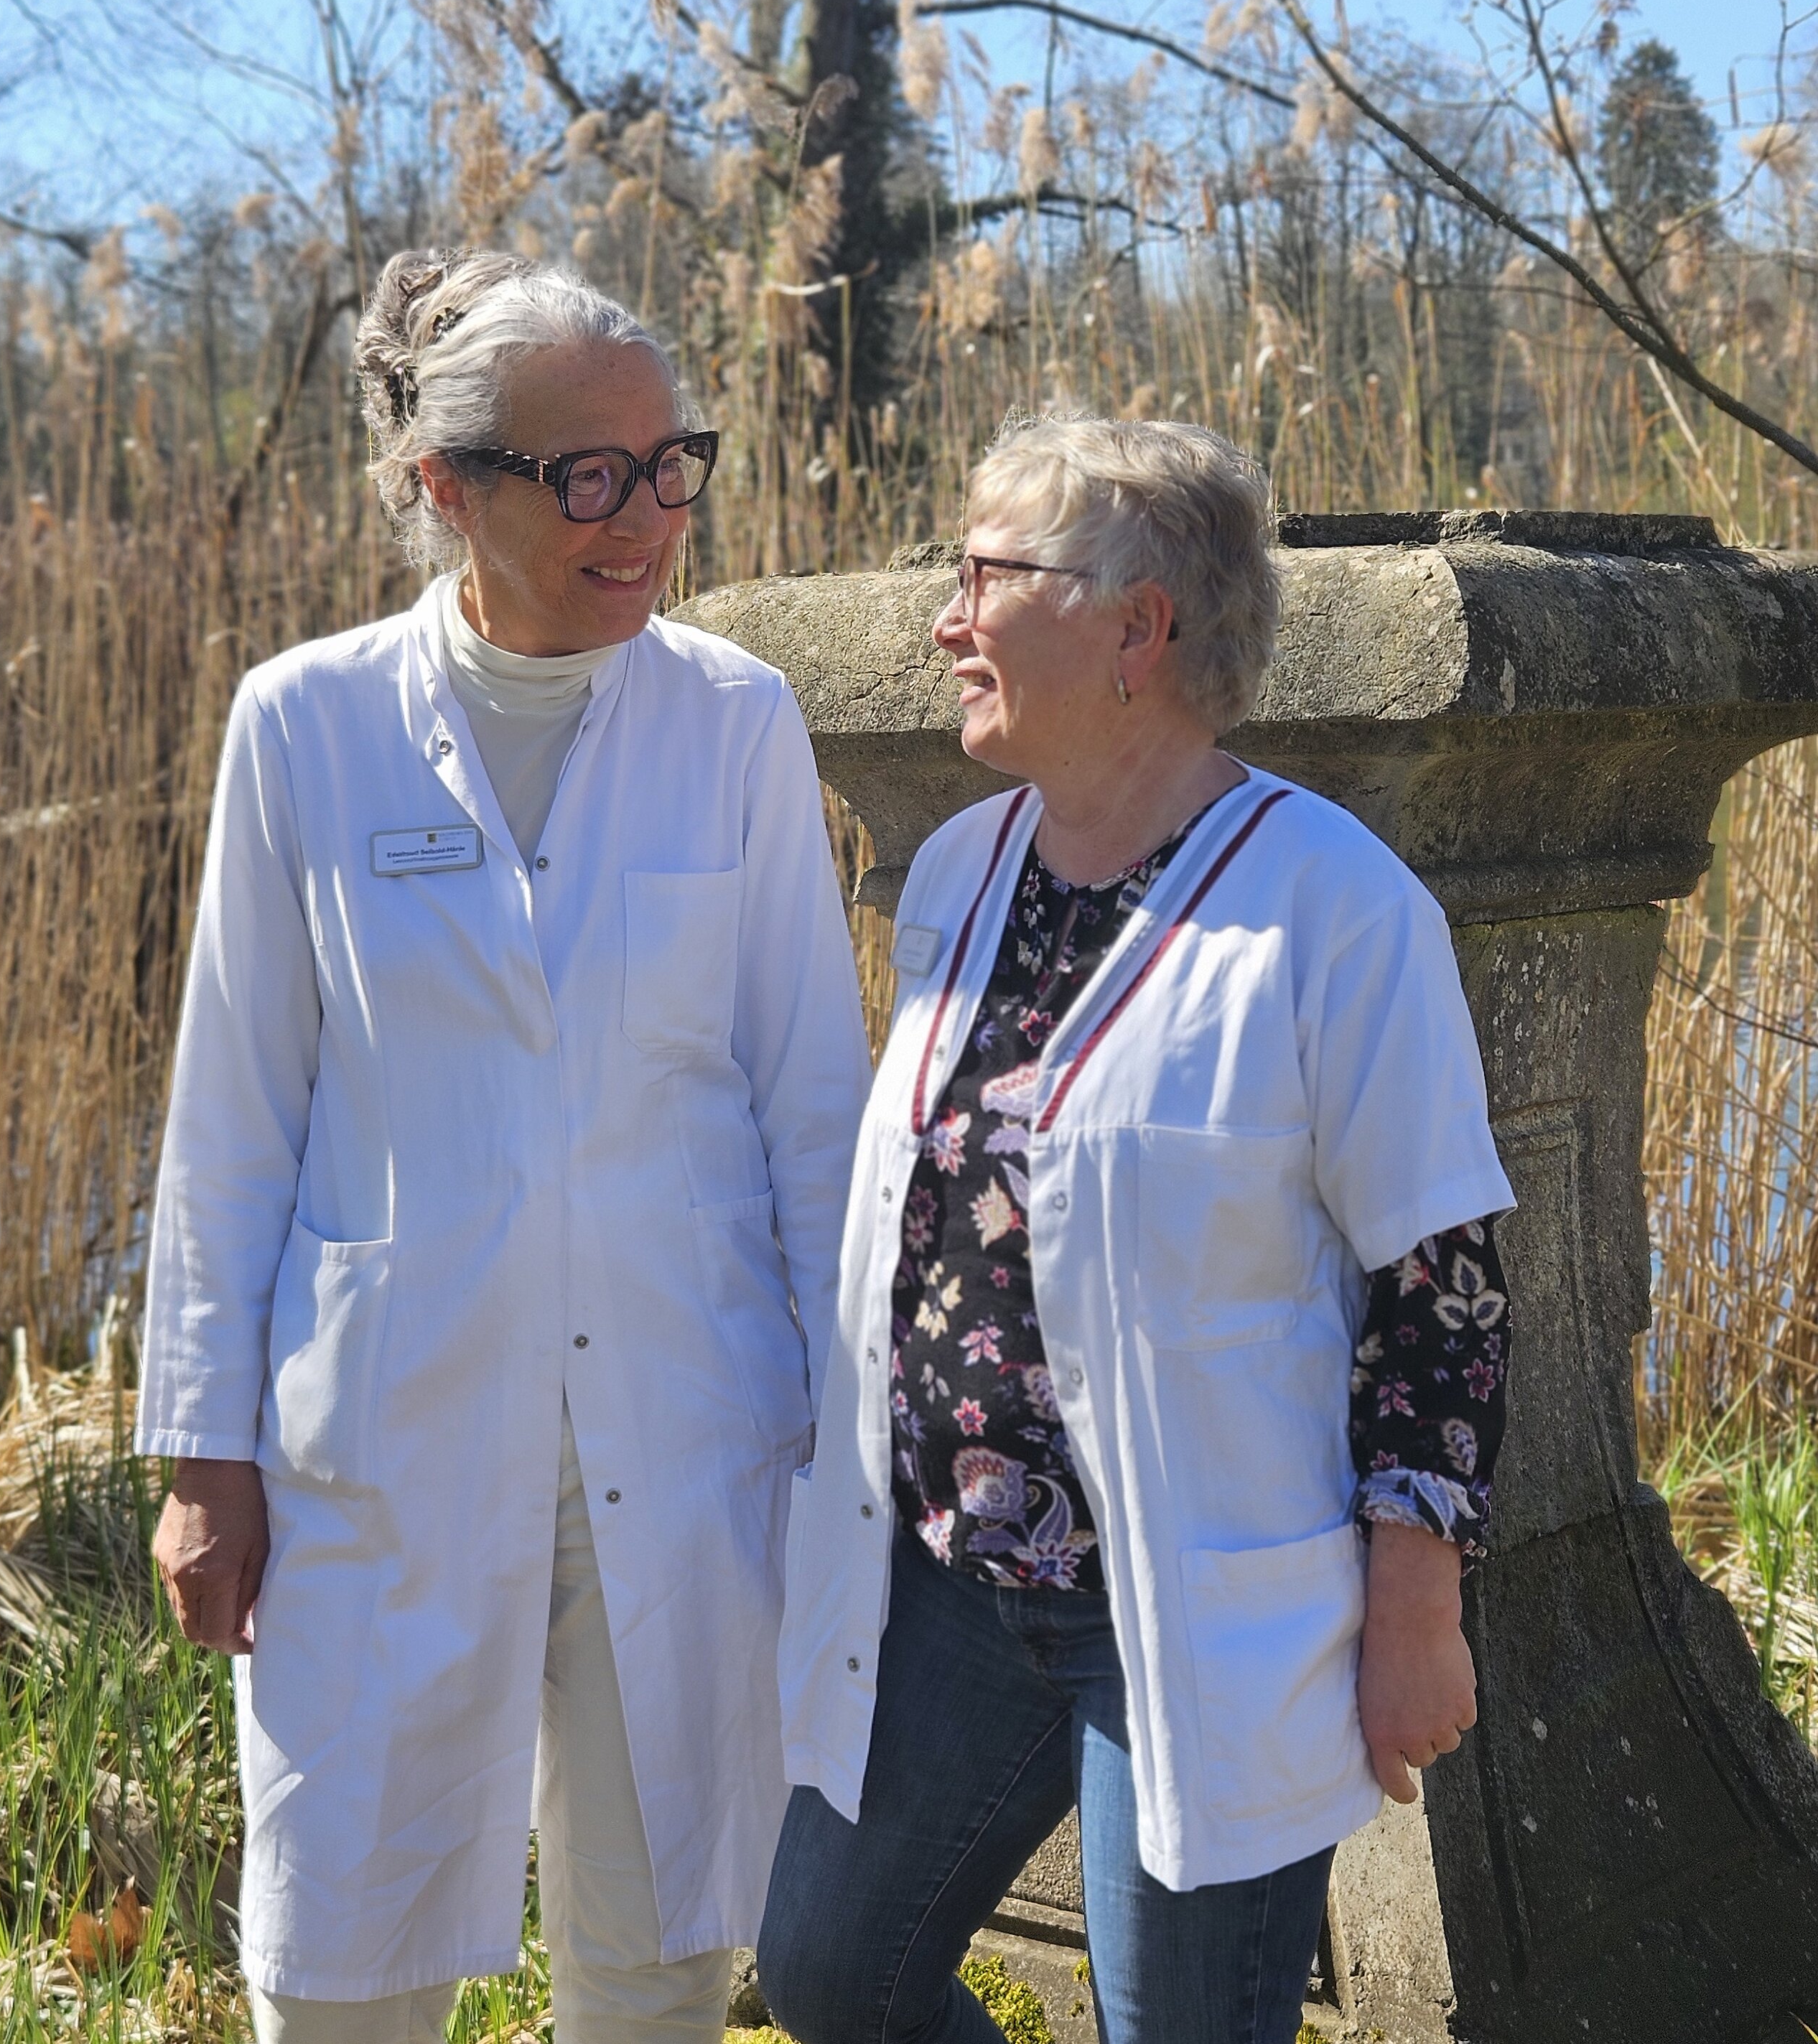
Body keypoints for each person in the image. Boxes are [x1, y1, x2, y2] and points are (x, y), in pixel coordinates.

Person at [137, 248, 871, 2043]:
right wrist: (198, 1448)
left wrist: (857, 1449)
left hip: (693, 1423)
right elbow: (236, 1107)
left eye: (670, 462)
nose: (646, 517)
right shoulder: (305, 723)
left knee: (660, 1951)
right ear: (443, 488)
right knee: (344, 1956)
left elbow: (809, 1106)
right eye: (588, 475)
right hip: (386, 1430)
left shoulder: (733, 720)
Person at [760, 416, 1516, 2044]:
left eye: (981, 575)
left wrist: (1414, 1606)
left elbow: (1439, 1291)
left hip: (1189, 1608)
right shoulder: (959, 872)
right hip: (952, 1582)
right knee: (832, 1970)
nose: (944, 618)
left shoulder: (1332, 906)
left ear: (1134, 626)